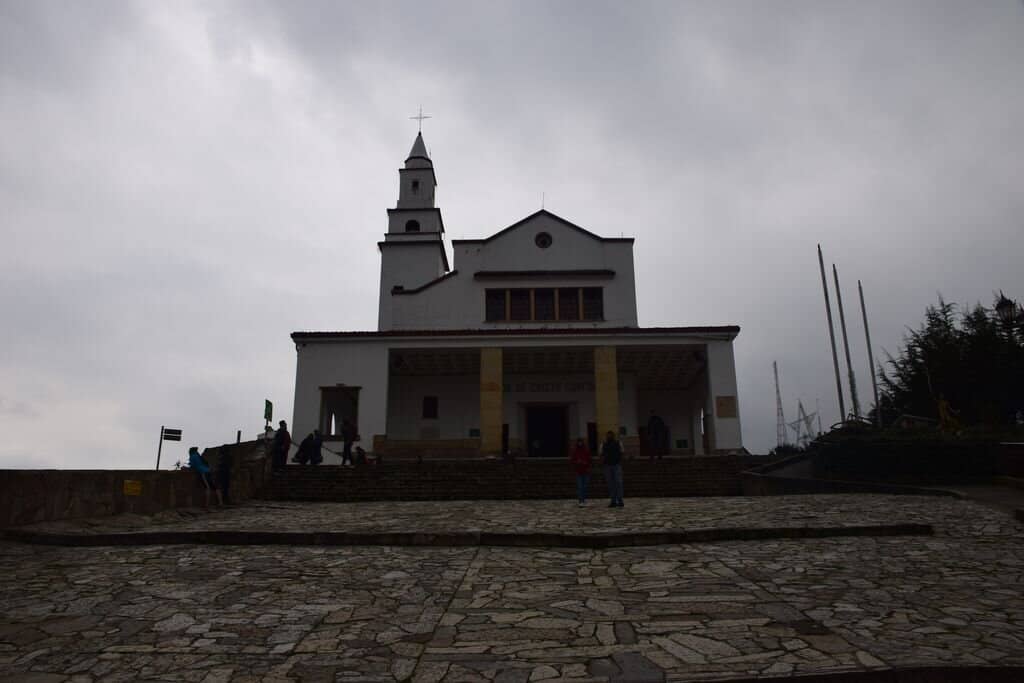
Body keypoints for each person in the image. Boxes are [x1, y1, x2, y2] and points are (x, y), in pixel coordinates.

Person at [600, 430, 624, 508]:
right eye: (608, 435)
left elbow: (622, 452)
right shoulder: (603, 444)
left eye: (610, 435)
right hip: (607, 465)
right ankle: (613, 500)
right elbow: (601, 454)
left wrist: (619, 459)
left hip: (616, 465)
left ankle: (620, 499)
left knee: (618, 483)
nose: (609, 436)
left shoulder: (618, 443)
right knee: (611, 484)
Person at [569, 438, 592, 506]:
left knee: (585, 486)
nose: (580, 443)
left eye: (581, 442)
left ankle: (583, 499)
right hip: (578, 471)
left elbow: (590, 460)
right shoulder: (575, 451)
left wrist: (585, 463)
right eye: (579, 442)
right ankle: (581, 500)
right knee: (580, 487)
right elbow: (572, 460)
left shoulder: (586, 451)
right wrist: (577, 462)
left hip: (586, 471)